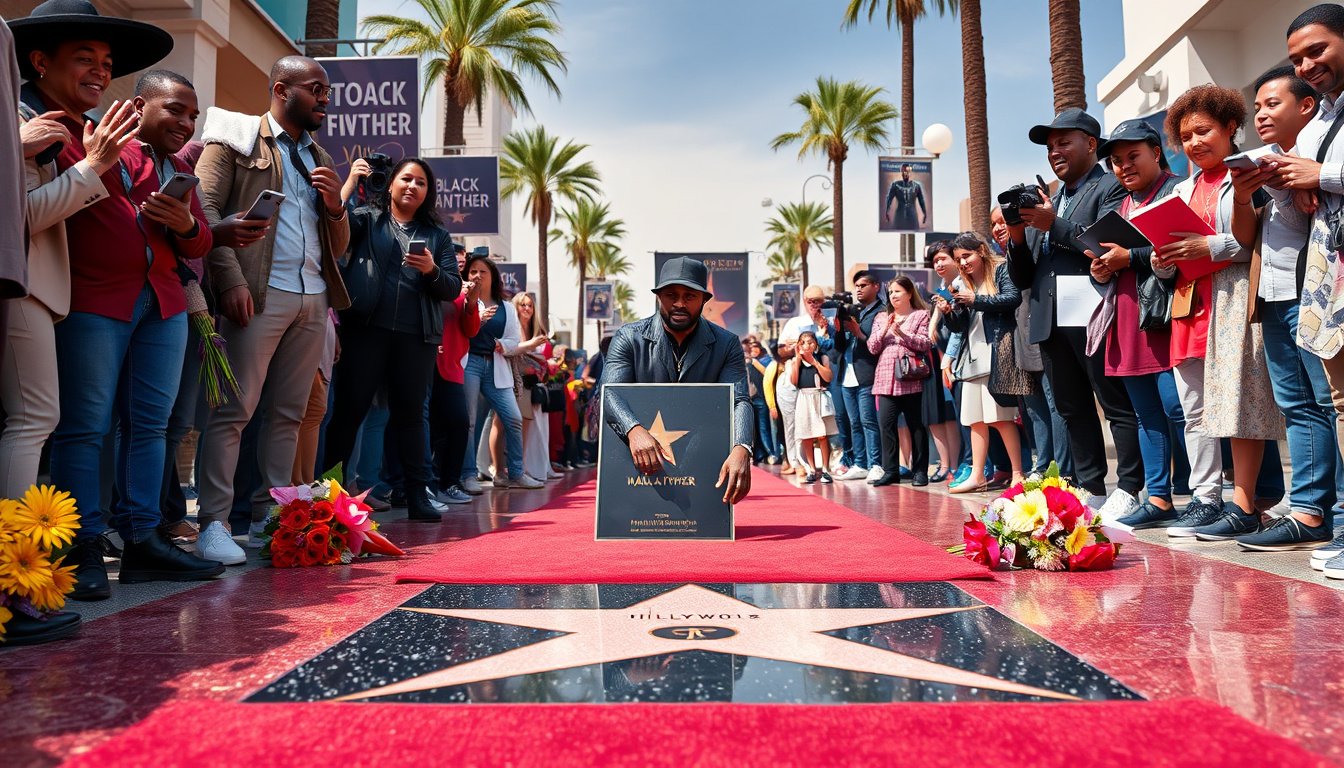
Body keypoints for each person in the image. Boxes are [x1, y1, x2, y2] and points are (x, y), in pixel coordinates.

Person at [50, 68, 222, 593]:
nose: (186, 123)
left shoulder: (176, 168)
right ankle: (77, 551)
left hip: (165, 304)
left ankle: (144, 541)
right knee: (85, 427)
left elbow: (200, 245)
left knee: (150, 426)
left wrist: (187, 225)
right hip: (96, 298)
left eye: (193, 115)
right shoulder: (91, 143)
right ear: (140, 104)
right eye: (175, 110)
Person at [193, 55, 352, 564]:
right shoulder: (234, 140)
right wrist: (230, 279)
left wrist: (336, 207)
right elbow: (205, 211)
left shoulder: (318, 155)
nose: (326, 98)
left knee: (288, 415)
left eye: (327, 90)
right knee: (233, 412)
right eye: (317, 88)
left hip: (313, 297)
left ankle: (274, 519)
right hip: (258, 294)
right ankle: (214, 523)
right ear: (282, 90)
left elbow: (338, 247)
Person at [1197, 66, 1335, 546]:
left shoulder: (1321, 156)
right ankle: (1309, 512)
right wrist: (1242, 195)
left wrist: (1306, 183)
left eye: (1272, 103)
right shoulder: (1263, 161)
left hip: (1314, 294)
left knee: (1328, 402)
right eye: (1257, 106)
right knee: (1297, 405)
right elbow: (1244, 237)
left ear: (1307, 107)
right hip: (1271, 297)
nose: (1261, 113)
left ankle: (1322, 512)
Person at [1151, 84, 1286, 540]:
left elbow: (1255, 239)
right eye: (1186, 136)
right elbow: (1174, 246)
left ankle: (1243, 503)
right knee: (1194, 410)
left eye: (1203, 131)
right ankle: (1204, 500)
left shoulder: (1251, 173)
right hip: (1189, 300)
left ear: (1231, 127)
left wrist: (1206, 246)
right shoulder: (1183, 187)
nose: (1194, 143)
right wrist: (1161, 260)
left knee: (1240, 401)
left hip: (1233, 295)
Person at [1005, 108, 1143, 516]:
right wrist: (1017, 233)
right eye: (1050, 147)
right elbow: (1024, 274)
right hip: (1050, 317)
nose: (1055, 152)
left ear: (1091, 144)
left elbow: (1107, 246)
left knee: (1114, 403)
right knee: (1071, 408)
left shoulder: (1108, 187)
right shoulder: (1051, 197)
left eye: (1064, 142)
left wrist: (1054, 223)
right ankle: (1092, 486)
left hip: (1094, 310)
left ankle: (1130, 487)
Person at [318, 157, 461, 522]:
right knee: (349, 413)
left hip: (416, 337)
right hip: (366, 329)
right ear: (392, 183)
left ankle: (417, 495)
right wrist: (350, 179)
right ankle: (328, 494)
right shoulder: (367, 218)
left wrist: (431, 270)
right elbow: (334, 218)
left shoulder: (438, 235)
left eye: (421, 183)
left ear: (428, 193)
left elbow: (452, 287)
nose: (413, 186)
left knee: (412, 418)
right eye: (406, 179)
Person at [1258, 5, 1344, 565]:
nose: (1308, 64)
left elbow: (1325, 178)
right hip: (1329, 282)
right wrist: (1284, 186)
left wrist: (1323, 175)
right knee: (1337, 402)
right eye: (1297, 58)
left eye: (1317, 50)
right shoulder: (1323, 124)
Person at [1086, 119, 1189, 529]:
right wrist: (1101, 268)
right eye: (1116, 161)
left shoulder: (1176, 190)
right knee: (1146, 413)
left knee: (1179, 408)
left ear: (1156, 152)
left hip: (1170, 317)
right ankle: (1159, 498)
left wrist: (1130, 258)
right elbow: (1115, 261)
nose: (1124, 167)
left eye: (1133, 157)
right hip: (1128, 316)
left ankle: (1207, 495)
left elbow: (1182, 248)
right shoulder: (1121, 207)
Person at [600, 256, 754, 503]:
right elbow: (608, 392)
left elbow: (739, 401)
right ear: (659, 296)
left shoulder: (726, 344)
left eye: (690, 296)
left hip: (700, 457)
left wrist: (742, 447)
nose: (679, 303)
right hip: (637, 460)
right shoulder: (629, 337)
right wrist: (633, 429)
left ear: (704, 300)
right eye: (671, 295)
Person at [936, 232, 1025, 493]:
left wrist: (976, 300)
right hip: (972, 358)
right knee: (975, 419)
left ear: (982, 251)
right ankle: (977, 474)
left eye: (967, 256)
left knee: (1000, 418)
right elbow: (961, 327)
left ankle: (1018, 472)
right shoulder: (964, 284)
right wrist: (950, 313)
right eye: (958, 259)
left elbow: (1012, 299)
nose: (962, 263)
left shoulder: (1000, 270)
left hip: (997, 354)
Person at [459, 254, 538, 490]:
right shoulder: (462, 299)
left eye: (483, 271)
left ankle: (516, 473)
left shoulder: (506, 307)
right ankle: (468, 475)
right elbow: (458, 331)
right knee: (470, 422)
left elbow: (514, 340)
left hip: (496, 365)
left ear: (493, 277)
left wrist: (502, 345)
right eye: (473, 271)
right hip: (469, 363)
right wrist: (476, 318)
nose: (477, 276)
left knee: (513, 418)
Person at [868, 275, 931, 486]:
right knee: (886, 426)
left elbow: (925, 343)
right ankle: (891, 471)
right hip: (885, 378)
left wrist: (902, 333)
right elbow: (872, 347)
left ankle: (920, 471)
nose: (893, 295)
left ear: (909, 293)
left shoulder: (921, 315)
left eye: (897, 291)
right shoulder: (881, 318)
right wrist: (887, 328)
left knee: (916, 425)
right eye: (891, 292)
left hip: (911, 377)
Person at [430, 242, 478, 503]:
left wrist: (471, 304)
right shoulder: (426, 280)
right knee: (427, 428)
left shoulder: (462, 291)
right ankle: (424, 485)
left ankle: (449, 482)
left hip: (451, 367)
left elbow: (471, 330)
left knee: (459, 423)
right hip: (422, 362)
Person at [837, 271, 884, 481]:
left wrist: (858, 332)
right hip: (847, 375)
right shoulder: (854, 311)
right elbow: (839, 348)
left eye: (863, 285)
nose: (859, 289)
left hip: (867, 374)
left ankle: (876, 464)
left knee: (868, 422)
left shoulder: (880, 312)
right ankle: (860, 463)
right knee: (854, 422)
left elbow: (876, 345)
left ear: (876, 286)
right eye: (856, 285)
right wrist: (839, 329)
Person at [926, 242, 965, 483]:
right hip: (946, 365)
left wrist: (947, 360)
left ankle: (968, 464)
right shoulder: (941, 290)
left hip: (959, 362)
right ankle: (954, 465)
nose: (939, 264)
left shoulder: (962, 286)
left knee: (966, 419)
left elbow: (959, 330)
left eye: (942, 258)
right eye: (935, 261)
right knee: (957, 417)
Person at [789, 330, 835, 484]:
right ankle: (811, 469)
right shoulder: (796, 361)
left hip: (819, 397)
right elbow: (794, 381)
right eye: (803, 342)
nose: (807, 345)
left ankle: (826, 469)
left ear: (816, 344)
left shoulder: (822, 357)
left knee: (822, 435)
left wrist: (814, 362)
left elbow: (828, 377)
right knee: (807, 435)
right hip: (804, 397)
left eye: (810, 342)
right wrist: (797, 359)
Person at [884, 163, 927, 230]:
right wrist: (886, 211)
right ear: (901, 172)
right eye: (903, 171)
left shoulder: (916, 186)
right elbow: (889, 198)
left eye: (907, 171)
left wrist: (925, 213)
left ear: (910, 172)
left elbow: (921, 200)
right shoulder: (895, 185)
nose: (905, 173)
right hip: (899, 216)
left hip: (912, 217)